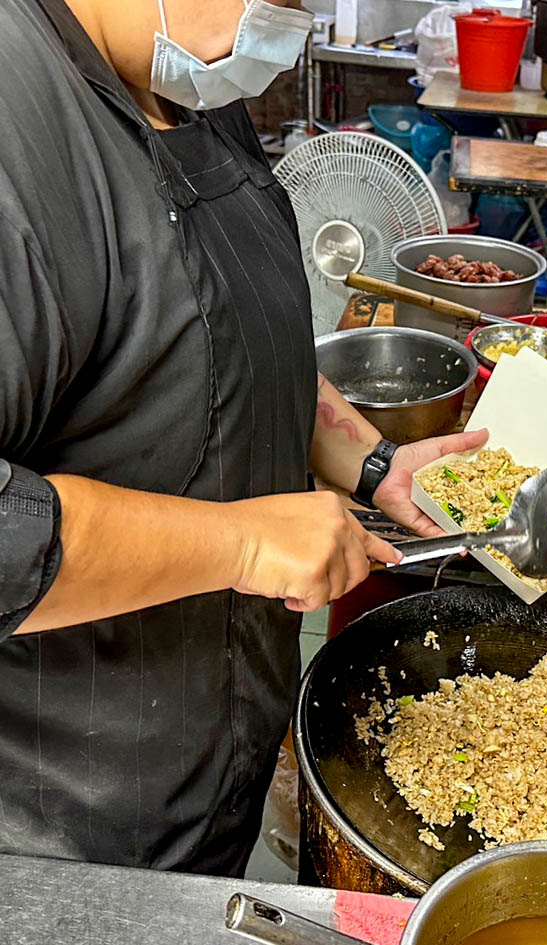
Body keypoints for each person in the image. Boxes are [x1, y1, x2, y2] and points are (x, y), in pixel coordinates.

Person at [0, 0, 486, 875]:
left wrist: (370, 463)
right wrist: (245, 542)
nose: (281, 18)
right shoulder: (17, 127)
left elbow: (229, 328)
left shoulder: (189, 79)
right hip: (68, 823)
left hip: (215, 743)